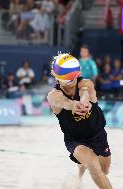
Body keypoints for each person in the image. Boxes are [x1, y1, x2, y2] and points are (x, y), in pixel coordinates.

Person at [47, 53, 113, 189]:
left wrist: (84, 101)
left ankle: (81, 163)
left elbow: (84, 91)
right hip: (75, 139)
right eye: (69, 79)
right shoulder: (54, 96)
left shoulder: (86, 83)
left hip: (97, 134)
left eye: (74, 77)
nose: (72, 82)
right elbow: (63, 102)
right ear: (57, 76)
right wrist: (73, 105)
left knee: (104, 170)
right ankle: (83, 162)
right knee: (93, 164)